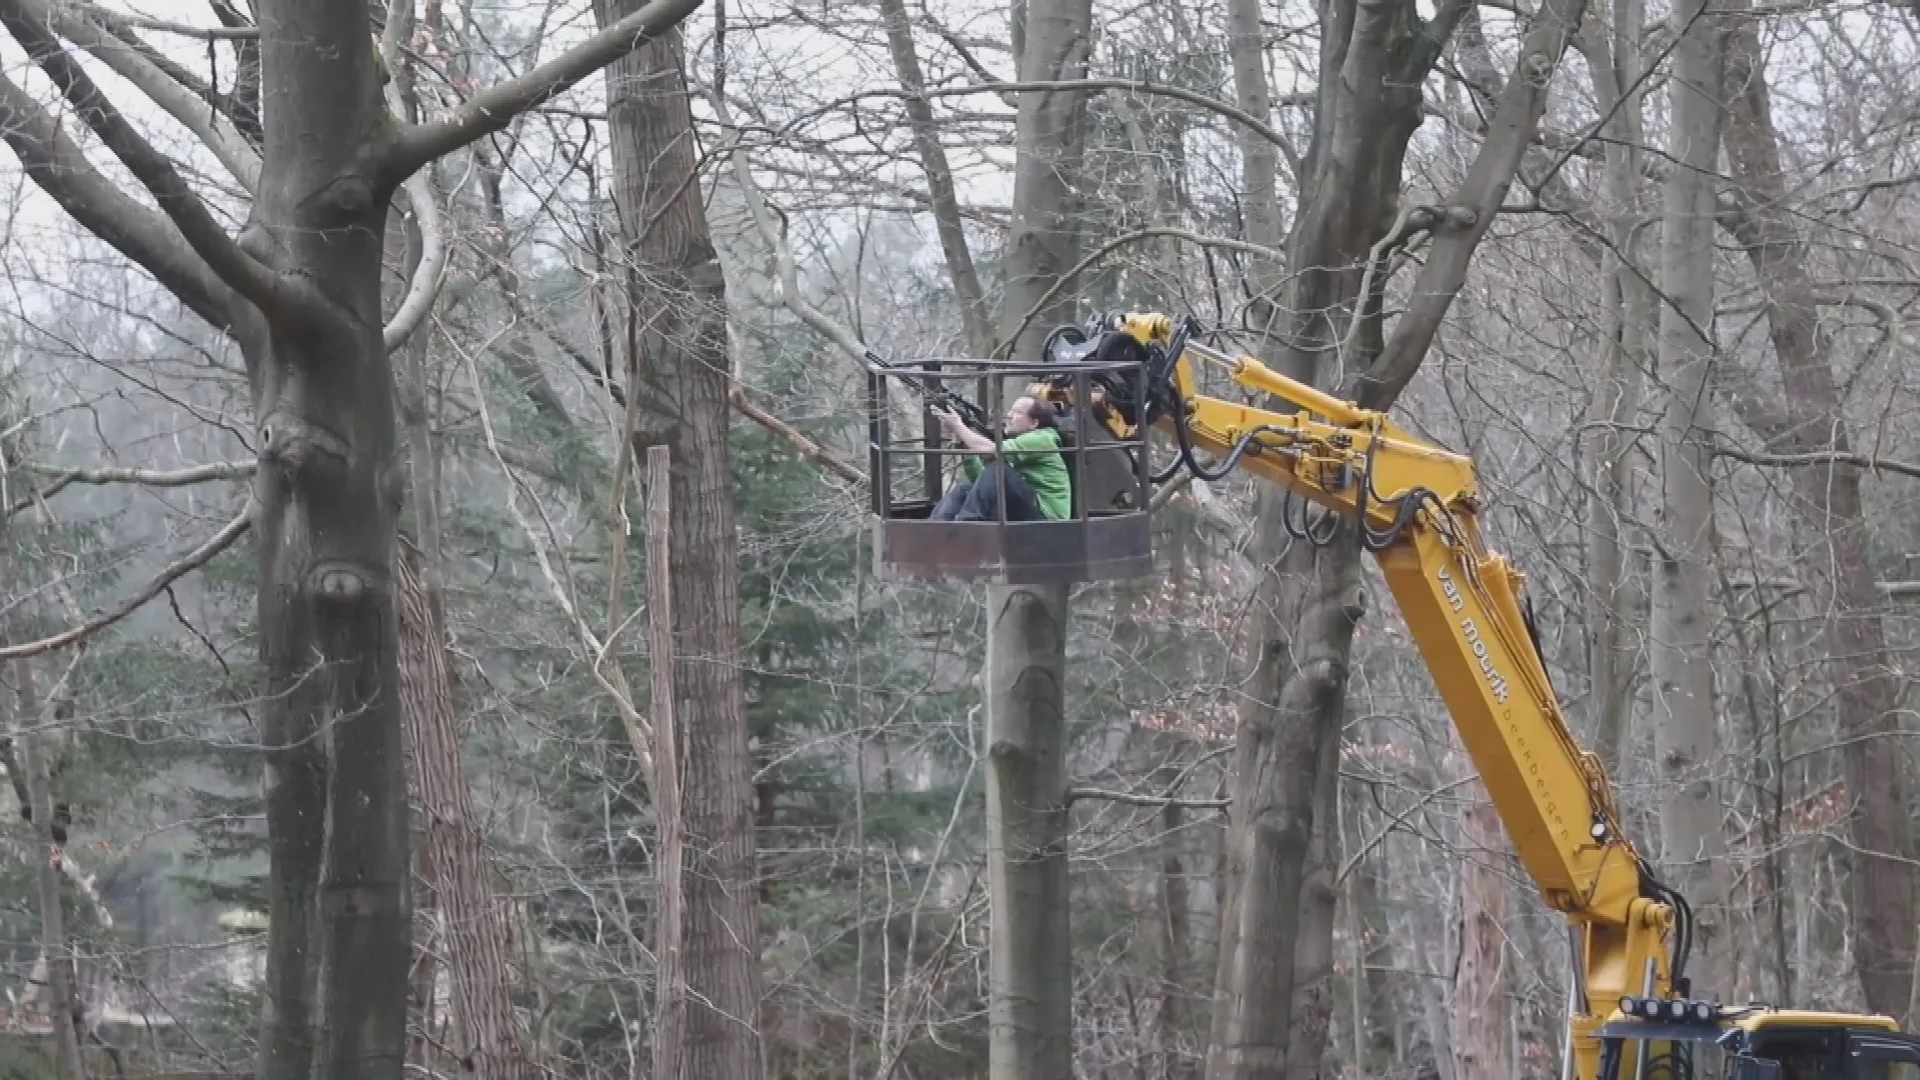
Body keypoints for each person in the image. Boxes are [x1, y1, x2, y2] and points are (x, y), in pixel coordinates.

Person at [928, 395, 1071, 522]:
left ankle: (967, 526)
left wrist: (959, 427)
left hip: (1047, 518)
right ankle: (937, 529)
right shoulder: (1017, 444)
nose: (1009, 415)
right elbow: (982, 481)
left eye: (1017, 412)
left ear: (1034, 423)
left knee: (998, 469)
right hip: (1027, 507)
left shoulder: (1042, 439)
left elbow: (992, 452)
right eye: (1011, 410)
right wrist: (964, 446)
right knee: (963, 490)